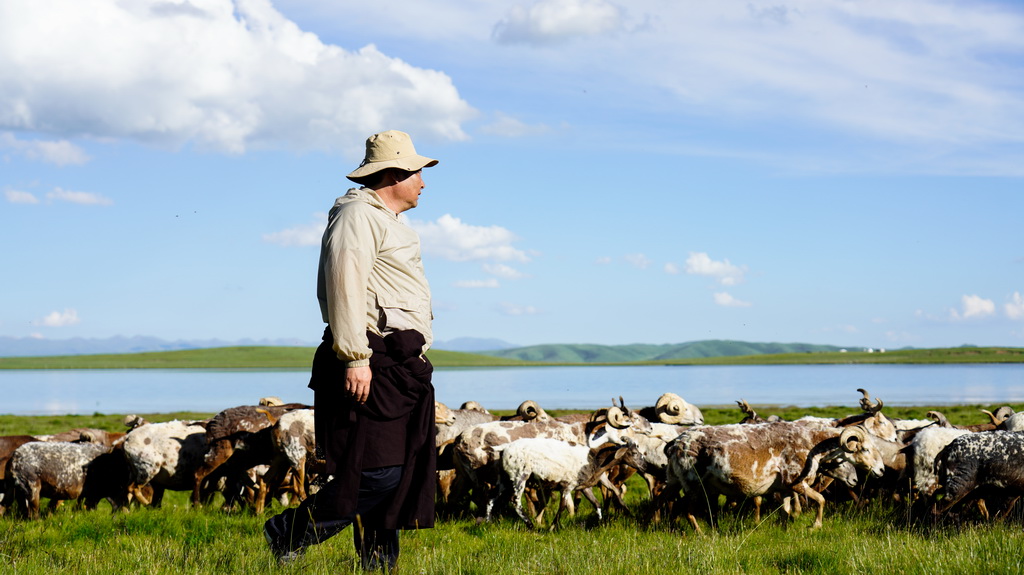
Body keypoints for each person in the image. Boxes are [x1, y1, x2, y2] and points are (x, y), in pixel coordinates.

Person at [263, 130, 438, 572]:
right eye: (417, 171)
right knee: (377, 472)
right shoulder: (358, 216)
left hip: (399, 365)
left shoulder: (387, 220)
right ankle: (289, 532)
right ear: (393, 173)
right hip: (368, 358)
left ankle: (379, 565)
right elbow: (345, 284)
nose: (423, 180)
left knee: (397, 471)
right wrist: (356, 358)